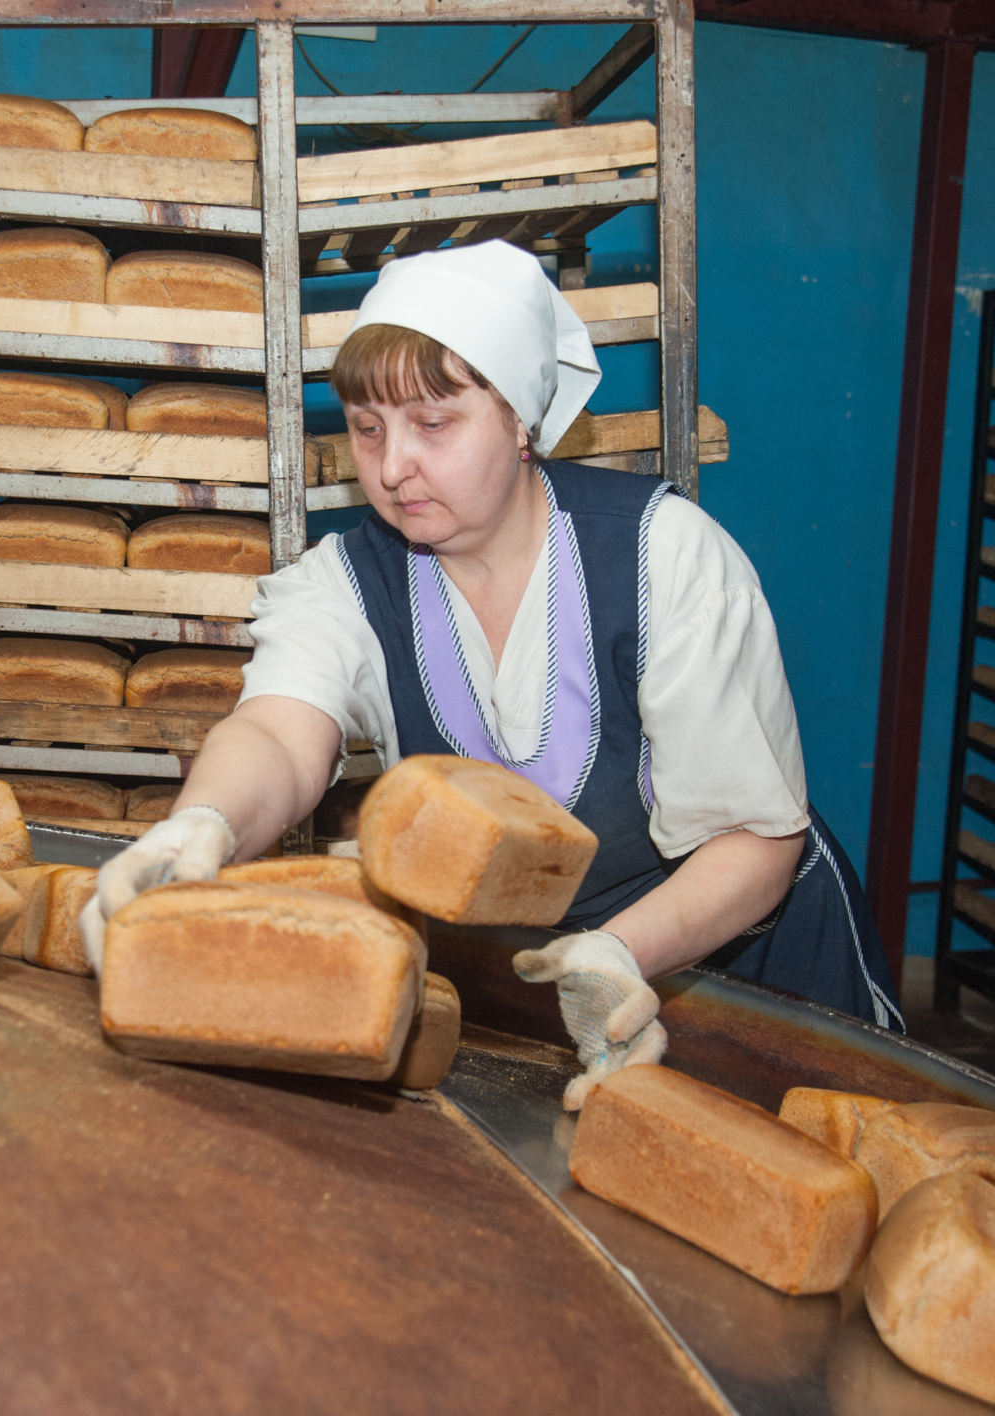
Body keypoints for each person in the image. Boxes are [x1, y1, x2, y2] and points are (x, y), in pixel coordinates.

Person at [81, 240, 902, 1108]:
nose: (390, 467)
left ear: (518, 421)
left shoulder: (660, 557)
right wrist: (202, 823)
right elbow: (280, 736)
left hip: (754, 975)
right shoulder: (347, 583)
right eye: (367, 428)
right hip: (537, 986)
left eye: (432, 424)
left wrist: (618, 952)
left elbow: (753, 839)